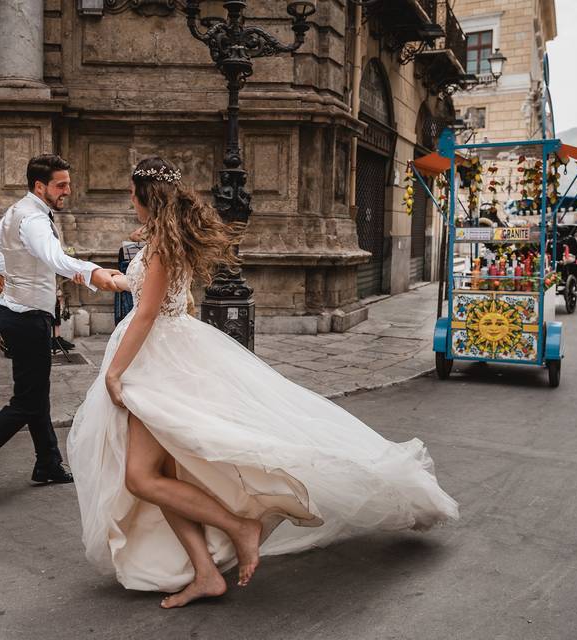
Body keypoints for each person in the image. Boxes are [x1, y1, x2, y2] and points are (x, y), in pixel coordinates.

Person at [67, 157, 459, 608]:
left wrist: (114, 370)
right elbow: (170, 299)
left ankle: (240, 527)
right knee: (161, 474)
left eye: (131, 195)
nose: (129, 203)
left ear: (142, 197)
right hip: (168, 354)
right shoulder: (164, 240)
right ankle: (206, 574)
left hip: (156, 362)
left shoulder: (160, 247)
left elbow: (150, 311)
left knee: (141, 477)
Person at [0, 154, 121, 505]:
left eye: (67, 182)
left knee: (36, 395)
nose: (68, 190)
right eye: (61, 185)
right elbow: (56, 259)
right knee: (26, 402)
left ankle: (47, 462)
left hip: (16, 313)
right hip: (27, 320)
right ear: (41, 186)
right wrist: (94, 272)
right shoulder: (34, 219)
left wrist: (14, 275)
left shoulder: (17, 210)